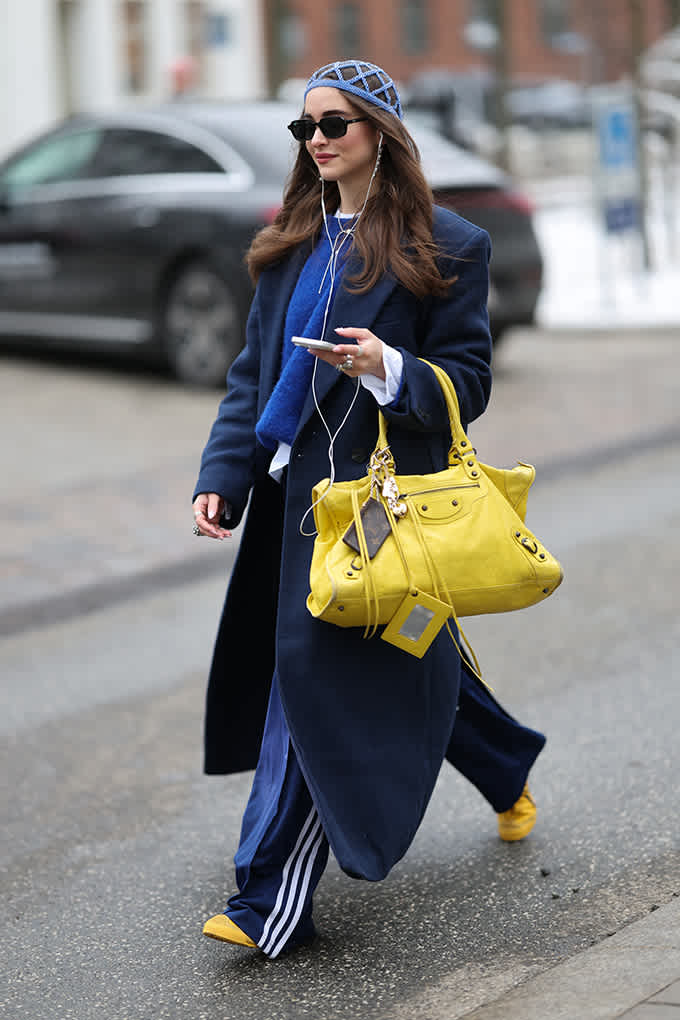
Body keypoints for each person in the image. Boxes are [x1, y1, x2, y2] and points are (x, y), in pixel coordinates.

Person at [192, 59, 546, 959]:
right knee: (400, 653)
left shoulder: (449, 245)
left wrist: (389, 369)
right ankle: (504, 763)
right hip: (291, 500)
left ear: (380, 133)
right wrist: (225, 475)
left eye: (335, 124)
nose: (317, 141)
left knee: (317, 682)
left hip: (377, 507)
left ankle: (269, 896)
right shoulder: (289, 243)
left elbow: (469, 379)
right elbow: (250, 379)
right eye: (305, 128)